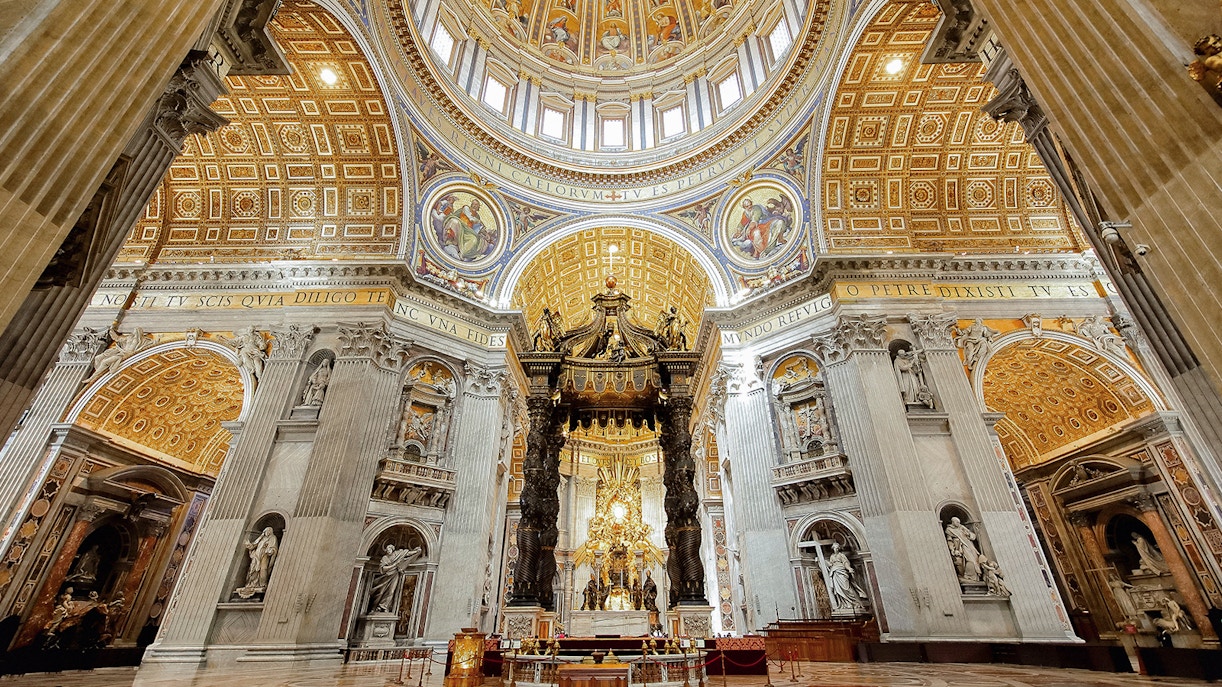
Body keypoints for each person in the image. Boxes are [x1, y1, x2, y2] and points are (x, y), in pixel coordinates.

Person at [368, 544, 423, 613]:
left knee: (391, 591)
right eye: (387, 550)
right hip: (385, 576)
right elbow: (383, 569)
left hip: (395, 575)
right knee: (380, 592)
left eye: (389, 549)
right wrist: (393, 566)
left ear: (392, 549)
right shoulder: (384, 558)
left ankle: (383, 606)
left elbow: (407, 553)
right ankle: (374, 607)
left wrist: (416, 551)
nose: (388, 551)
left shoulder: (398, 554)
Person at [826, 543, 867, 612]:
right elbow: (831, 564)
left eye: (837, 548)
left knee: (846, 588)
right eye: (834, 548)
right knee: (838, 590)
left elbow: (845, 563)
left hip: (842, 572)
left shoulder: (841, 555)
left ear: (839, 548)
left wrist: (849, 569)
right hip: (835, 573)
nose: (836, 549)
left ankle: (855, 602)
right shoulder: (832, 556)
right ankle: (844, 604)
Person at [240, 527, 278, 595]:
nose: (267, 533)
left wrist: (270, 551)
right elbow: (254, 545)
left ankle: (262, 584)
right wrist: (249, 544)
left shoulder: (273, 538)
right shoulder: (261, 538)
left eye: (268, 531)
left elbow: (273, 548)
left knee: (263, 569)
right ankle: (251, 583)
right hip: (256, 556)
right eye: (266, 531)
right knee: (253, 569)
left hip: (264, 556)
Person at [945, 517, 982, 581]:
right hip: (961, 546)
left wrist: (968, 534)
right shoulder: (949, 530)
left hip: (970, 545)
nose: (958, 523)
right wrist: (953, 550)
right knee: (970, 560)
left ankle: (976, 577)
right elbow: (950, 541)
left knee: (976, 559)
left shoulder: (962, 527)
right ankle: (969, 577)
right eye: (957, 522)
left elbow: (973, 536)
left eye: (959, 522)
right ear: (953, 522)